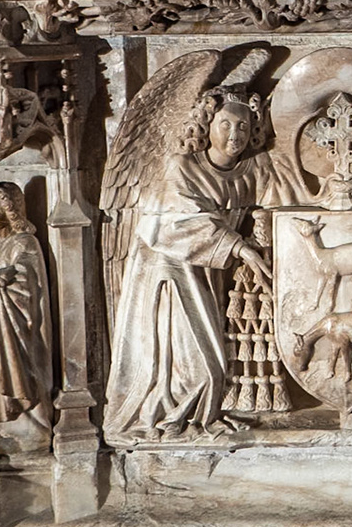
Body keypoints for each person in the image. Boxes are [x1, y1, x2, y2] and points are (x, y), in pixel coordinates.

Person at [105, 88, 300, 439]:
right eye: (225, 124)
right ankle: (168, 420)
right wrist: (241, 249)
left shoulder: (253, 170)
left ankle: (195, 416)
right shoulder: (179, 167)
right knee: (199, 369)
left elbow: (282, 204)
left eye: (243, 126)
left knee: (215, 365)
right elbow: (175, 223)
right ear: (206, 125)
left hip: (212, 271)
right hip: (170, 272)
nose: (235, 135)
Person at [0, 181, 52, 451]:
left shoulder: (23, 242)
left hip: (10, 324)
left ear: (10, 211)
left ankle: (27, 427)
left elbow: (27, 273)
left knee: (11, 366)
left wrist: (4, 277)